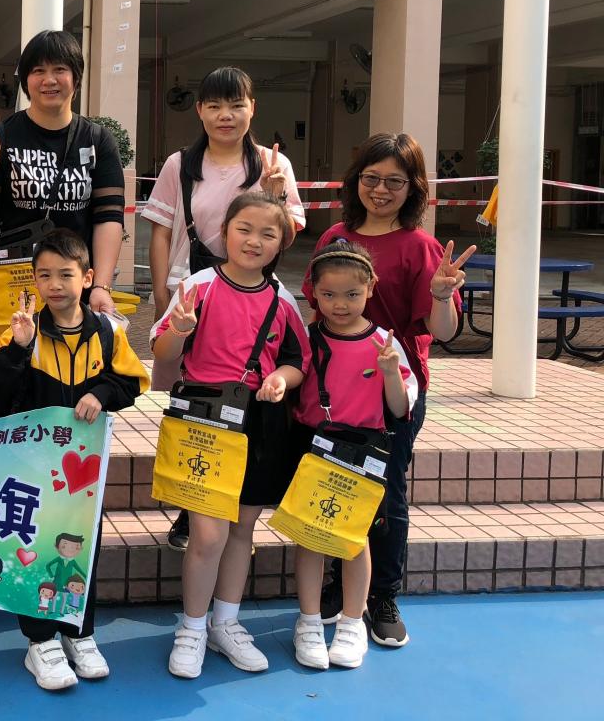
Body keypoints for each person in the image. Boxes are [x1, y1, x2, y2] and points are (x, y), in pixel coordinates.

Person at [302, 133, 472, 647]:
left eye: (394, 181)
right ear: (356, 181)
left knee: (386, 493)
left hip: (394, 391)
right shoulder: (335, 236)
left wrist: (441, 295)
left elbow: (442, 331)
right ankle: (339, 585)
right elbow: (316, 308)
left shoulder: (421, 247)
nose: (380, 190)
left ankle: (382, 596)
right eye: (371, 178)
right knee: (333, 482)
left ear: (413, 187)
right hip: (334, 389)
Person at [0, 229, 149, 690]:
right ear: (34, 280)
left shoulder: (107, 333)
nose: (54, 284)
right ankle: (39, 641)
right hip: (30, 467)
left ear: (87, 277)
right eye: (44, 275)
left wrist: (101, 393)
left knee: (80, 545)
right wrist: (17, 347)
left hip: (81, 471)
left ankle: (78, 631)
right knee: (32, 545)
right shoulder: (24, 330)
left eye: (65, 275)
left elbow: (132, 382)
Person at [142, 67, 304, 551]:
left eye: (235, 105)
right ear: (199, 111)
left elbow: (284, 237)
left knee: (241, 393)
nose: (225, 115)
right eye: (214, 105)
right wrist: (161, 297)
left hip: (250, 296)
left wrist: (275, 195)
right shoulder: (180, 165)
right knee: (192, 396)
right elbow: (161, 232)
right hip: (193, 292)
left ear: (252, 108)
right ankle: (193, 506)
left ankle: (231, 502)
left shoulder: (274, 163)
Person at [150, 192, 308, 681]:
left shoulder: (283, 300)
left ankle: (226, 623)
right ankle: (192, 627)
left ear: (282, 243)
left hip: (261, 424)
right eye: (245, 229)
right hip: (205, 422)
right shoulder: (198, 285)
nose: (254, 241)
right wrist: (179, 329)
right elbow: (163, 351)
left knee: (242, 528)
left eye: (268, 233)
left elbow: (298, 362)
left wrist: (280, 378)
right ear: (224, 231)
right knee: (208, 533)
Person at [291, 240, 417, 671]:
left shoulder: (384, 342)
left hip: (363, 451)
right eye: (328, 294)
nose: (339, 304)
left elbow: (399, 408)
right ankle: (309, 621)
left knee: (355, 538)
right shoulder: (308, 339)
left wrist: (389, 372)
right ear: (314, 292)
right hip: (313, 447)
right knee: (309, 536)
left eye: (351, 294)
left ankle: (351, 622)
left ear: (370, 288)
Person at [0, 30, 126, 318]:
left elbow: (108, 218)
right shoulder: (3, 136)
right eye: (38, 71)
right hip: (13, 287)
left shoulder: (97, 140)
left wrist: (101, 286)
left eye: (59, 69)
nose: (49, 80)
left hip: (75, 291)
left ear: (76, 77)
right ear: (26, 80)